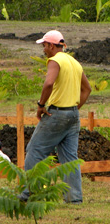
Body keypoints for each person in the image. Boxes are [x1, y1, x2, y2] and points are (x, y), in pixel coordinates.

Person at [21, 30, 91, 204]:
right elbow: (87, 89)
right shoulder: (74, 63)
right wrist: (74, 109)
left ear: (52, 45)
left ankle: (30, 193)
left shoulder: (54, 60)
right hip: (73, 116)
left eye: (44, 45)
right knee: (69, 159)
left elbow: (49, 83)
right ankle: (74, 199)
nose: (44, 49)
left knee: (34, 151)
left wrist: (40, 105)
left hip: (56, 113)